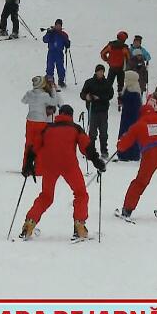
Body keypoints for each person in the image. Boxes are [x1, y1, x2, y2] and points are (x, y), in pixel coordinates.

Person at [20, 105, 106, 241]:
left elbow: (33, 147)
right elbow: (87, 147)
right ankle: (79, 225)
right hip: (69, 165)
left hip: (50, 166)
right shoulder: (75, 128)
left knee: (46, 196)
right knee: (80, 193)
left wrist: (28, 165)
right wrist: (97, 162)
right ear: (71, 116)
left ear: (59, 115)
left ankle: (29, 222)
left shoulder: (47, 128)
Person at [21, 75, 62, 176]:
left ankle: (25, 167)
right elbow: (54, 101)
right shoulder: (44, 95)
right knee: (39, 145)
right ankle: (38, 169)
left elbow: (23, 100)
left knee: (29, 144)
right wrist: (53, 88)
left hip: (30, 120)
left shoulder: (30, 93)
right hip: (40, 121)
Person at [80, 64, 115, 159]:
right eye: (99, 71)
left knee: (103, 132)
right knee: (92, 132)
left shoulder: (107, 82)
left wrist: (100, 98)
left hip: (103, 110)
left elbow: (110, 95)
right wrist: (86, 96)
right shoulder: (89, 82)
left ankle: (104, 150)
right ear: (96, 72)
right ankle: (91, 150)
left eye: (102, 71)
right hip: (93, 109)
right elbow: (82, 94)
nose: (101, 73)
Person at [100, 31, 131, 109]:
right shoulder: (124, 48)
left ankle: (105, 98)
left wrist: (107, 60)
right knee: (120, 85)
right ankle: (120, 100)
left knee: (108, 84)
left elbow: (102, 53)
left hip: (112, 68)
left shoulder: (111, 45)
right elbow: (129, 58)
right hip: (121, 68)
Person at [117, 71, 143, 161]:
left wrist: (124, 101)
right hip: (126, 115)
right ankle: (123, 152)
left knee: (130, 134)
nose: (125, 80)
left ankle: (131, 154)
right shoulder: (127, 88)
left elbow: (135, 106)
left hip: (132, 117)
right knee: (125, 134)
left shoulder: (135, 90)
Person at [43, 19, 71, 88]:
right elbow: (45, 40)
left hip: (59, 53)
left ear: (61, 26)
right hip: (51, 52)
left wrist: (67, 44)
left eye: (59, 25)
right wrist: (48, 33)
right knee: (50, 66)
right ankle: (50, 80)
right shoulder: (51, 32)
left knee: (60, 67)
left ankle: (61, 80)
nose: (58, 26)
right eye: (57, 25)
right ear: (55, 25)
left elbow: (66, 42)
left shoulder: (63, 34)